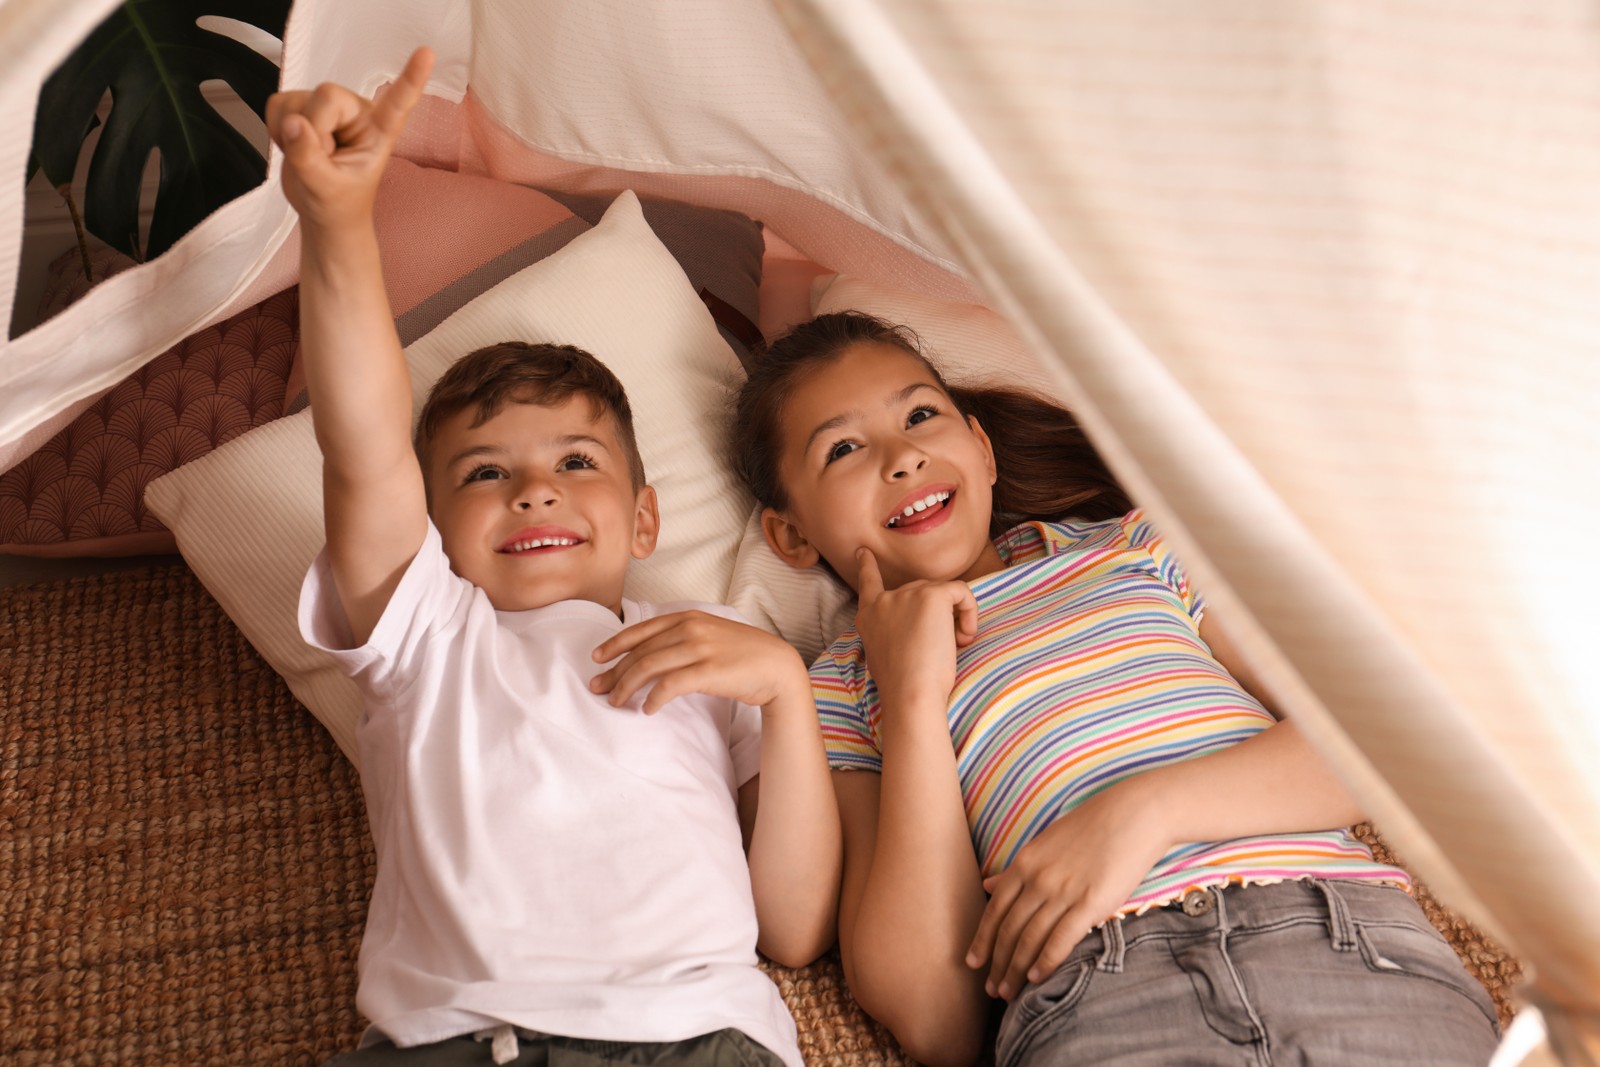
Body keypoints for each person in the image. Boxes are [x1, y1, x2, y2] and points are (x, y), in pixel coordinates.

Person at [269, 48, 841, 1067]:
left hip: (697, 1034)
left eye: (575, 461)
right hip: (455, 1037)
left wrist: (787, 693)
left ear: (645, 519)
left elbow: (792, 929)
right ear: (435, 531)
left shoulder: (716, 657)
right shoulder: (425, 634)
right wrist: (338, 223)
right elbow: (359, 444)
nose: (533, 488)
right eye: (484, 472)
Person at [734, 311, 1501, 1067]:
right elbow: (936, 1018)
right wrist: (908, 699)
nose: (901, 458)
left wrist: (1145, 812)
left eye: (921, 415)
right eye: (843, 448)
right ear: (791, 535)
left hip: (1345, 941)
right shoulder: (838, 687)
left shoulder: (1138, 548)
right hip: (1100, 993)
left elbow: (1381, 741)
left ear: (981, 448)